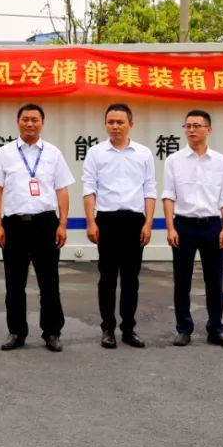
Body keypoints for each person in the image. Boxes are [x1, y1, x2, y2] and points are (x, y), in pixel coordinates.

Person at [0, 104, 75, 353]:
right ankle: (16, 332)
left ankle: (52, 332)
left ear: (42, 123)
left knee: (49, 282)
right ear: (18, 122)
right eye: (25, 119)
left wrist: (63, 224)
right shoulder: (5, 153)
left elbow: (62, 190)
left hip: (45, 224)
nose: (29, 123)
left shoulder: (53, 153)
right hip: (14, 225)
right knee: (14, 283)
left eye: (34, 119)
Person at [82, 103, 156, 349]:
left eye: (120, 122)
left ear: (130, 125)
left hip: (135, 221)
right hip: (107, 221)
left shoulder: (143, 153)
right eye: (111, 122)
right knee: (107, 277)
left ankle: (128, 328)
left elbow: (149, 190)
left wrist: (148, 223)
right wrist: (91, 222)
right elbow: (89, 188)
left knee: (131, 278)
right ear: (105, 125)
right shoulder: (96, 153)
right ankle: (108, 328)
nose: (115, 126)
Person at [163, 109, 223, 347]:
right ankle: (184, 328)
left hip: (212, 226)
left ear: (208, 130)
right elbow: (168, 196)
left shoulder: (220, 162)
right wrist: (170, 227)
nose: (191, 130)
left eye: (196, 126)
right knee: (182, 280)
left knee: (214, 281)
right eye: (188, 126)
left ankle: (215, 328)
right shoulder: (174, 160)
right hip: (184, 226)